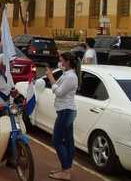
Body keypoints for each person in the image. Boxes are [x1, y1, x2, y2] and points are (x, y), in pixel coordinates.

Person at [46, 52, 79, 181]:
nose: (60, 63)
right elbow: (59, 88)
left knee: (57, 140)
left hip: (66, 111)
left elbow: (59, 92)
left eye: (61, 60)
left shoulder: (71, 77)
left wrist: (50, 78)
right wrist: (52, 77)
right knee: (69, 141)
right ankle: (67, 169)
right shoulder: (67, 75)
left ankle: (66, 171)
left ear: (68, 62)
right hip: (65, 110)